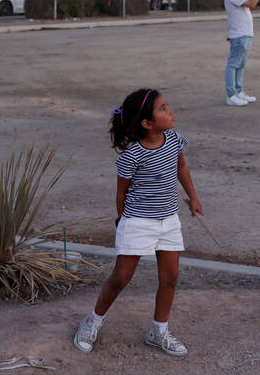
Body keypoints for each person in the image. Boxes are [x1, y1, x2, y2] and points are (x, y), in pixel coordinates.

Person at [73, 88, 203, 357]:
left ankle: (158, 331)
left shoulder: (174, 140)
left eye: (167, 106)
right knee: (121, 278)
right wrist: (123, 223)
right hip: (137, 222)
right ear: (147, 123)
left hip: (169, 221)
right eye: (163, 109)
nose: (170, 111)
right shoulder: (132, 156)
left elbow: (181, 168)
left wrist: (193, 197)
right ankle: (92, 321)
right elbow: (121, 193)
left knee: (170, 279)